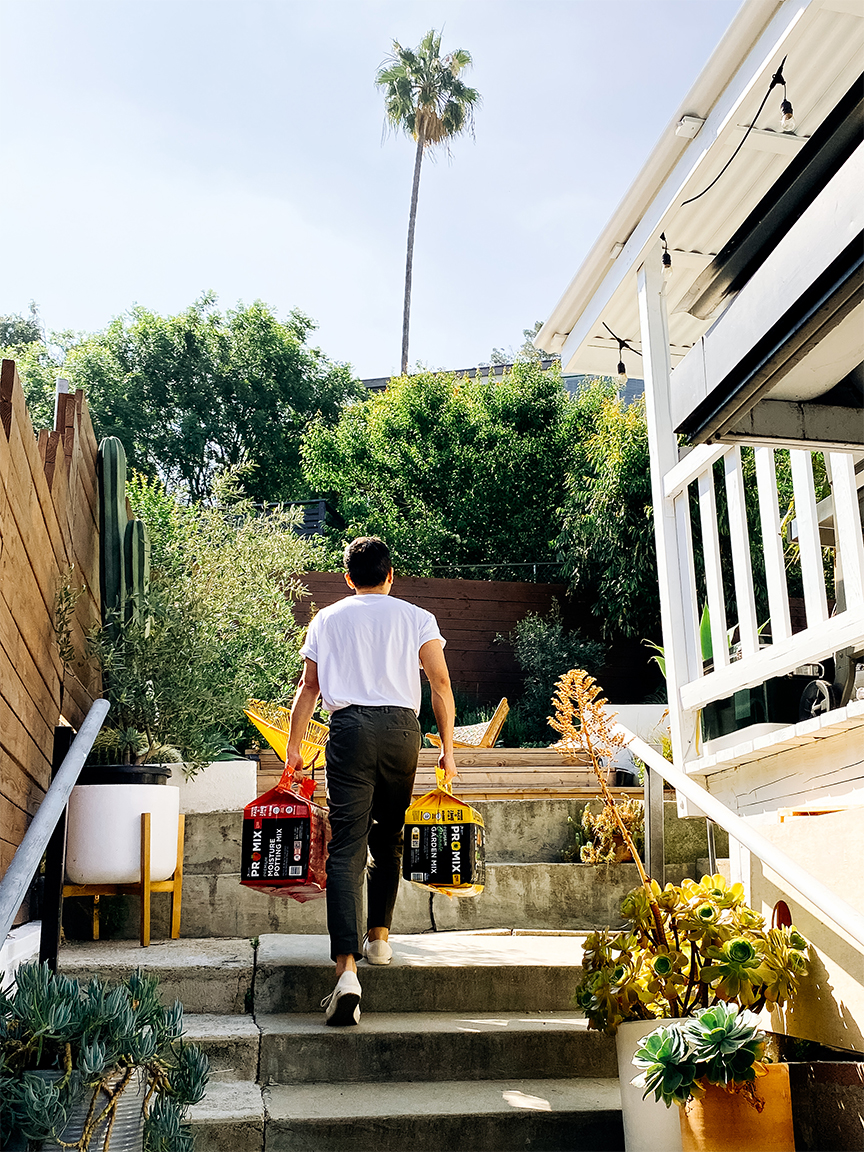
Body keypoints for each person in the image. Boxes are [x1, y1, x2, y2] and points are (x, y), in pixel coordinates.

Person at [285, 536, 456, 1026]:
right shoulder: (416, 617)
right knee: (390, 835)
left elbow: (310, 687)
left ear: (347, 577)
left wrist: (295, 749)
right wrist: (447, 751)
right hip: (403, 731)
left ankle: (346, 973)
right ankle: (379, 937)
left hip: (350, 731)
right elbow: (439, 683)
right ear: (391, 574)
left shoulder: (327, 618)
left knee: (347, 849)